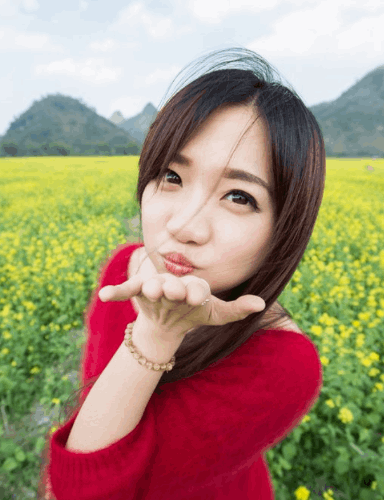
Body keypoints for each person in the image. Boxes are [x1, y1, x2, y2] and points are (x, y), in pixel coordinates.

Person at [36, 47, 326, 500]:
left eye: (239, 197)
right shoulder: (124, 268)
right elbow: (91, 399)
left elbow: (80, 492)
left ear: (283, 230)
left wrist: (157, 333)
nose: (185, 227)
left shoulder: (285, 364)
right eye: (171, 176)